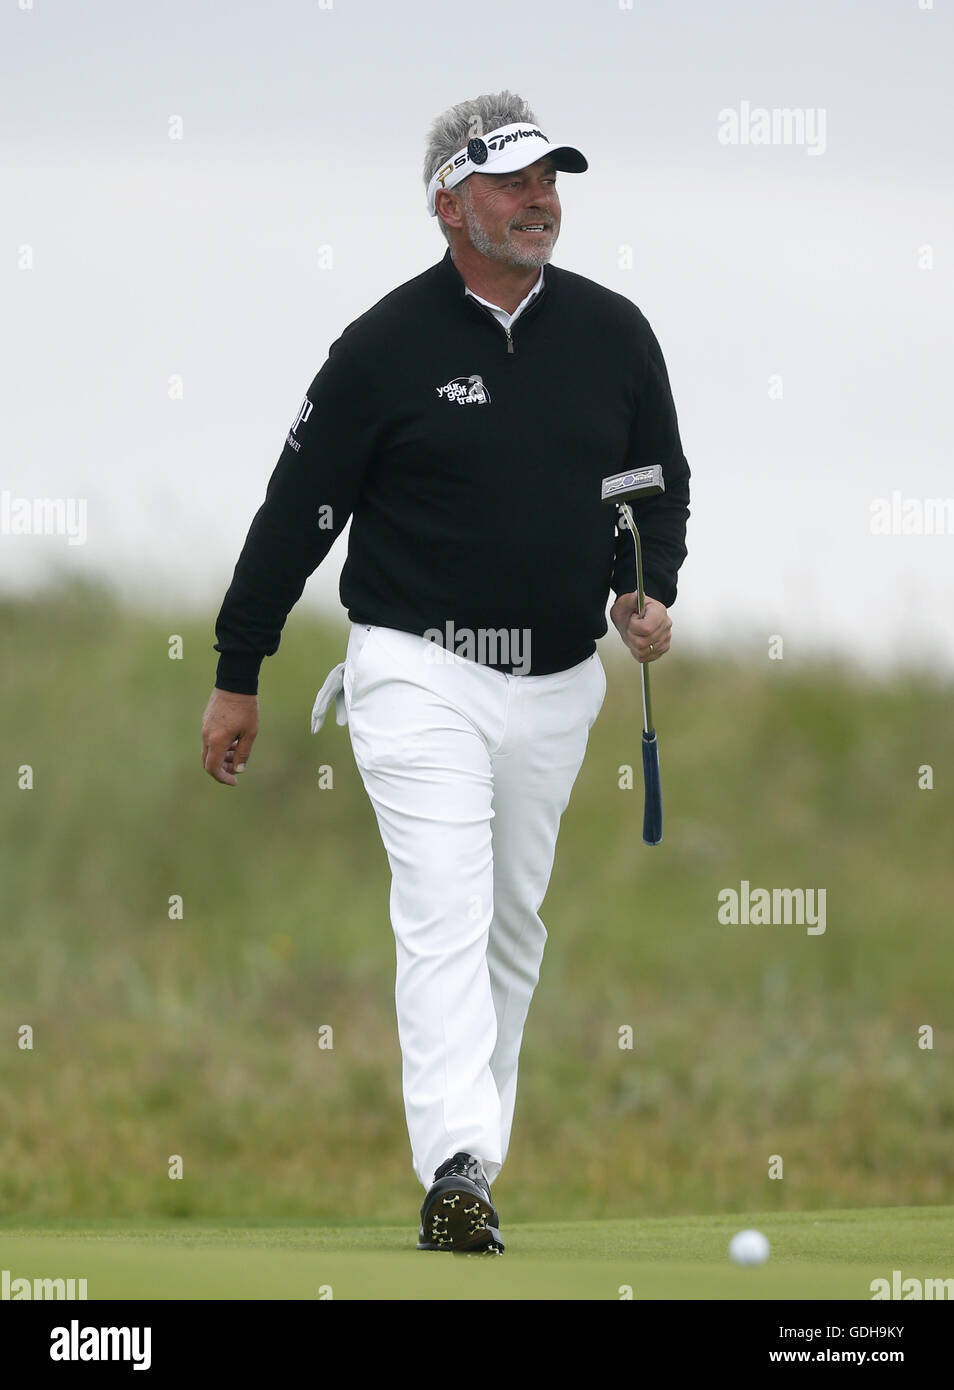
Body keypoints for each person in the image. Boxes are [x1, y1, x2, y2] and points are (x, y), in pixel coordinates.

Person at [201, 90, 690, 1255]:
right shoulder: (383, 349)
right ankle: (456, 1168)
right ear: (449, 205)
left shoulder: (614, 333)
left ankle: (477, 1160)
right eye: (515, 183)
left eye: (550, 181)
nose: (541, 201)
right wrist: (239, 667)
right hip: (419, 670)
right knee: (446, 913)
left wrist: (649, 584)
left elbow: (654, 484)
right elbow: (297, 515)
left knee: (513, 924)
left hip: (559, 677)